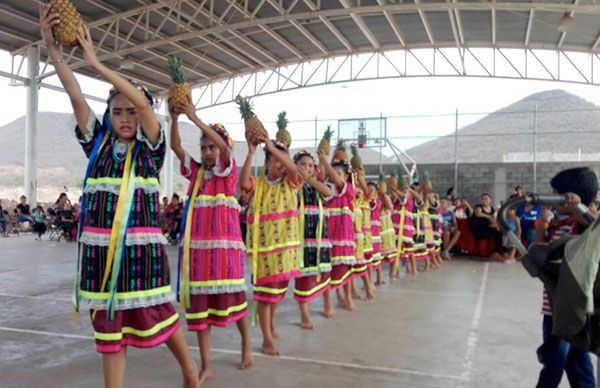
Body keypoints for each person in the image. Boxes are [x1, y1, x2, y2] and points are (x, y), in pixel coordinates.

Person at [40, 7, 199, 387]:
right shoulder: (96, 144)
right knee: (109, 330)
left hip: (141, 256)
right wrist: (54, 50)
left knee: (158, 316)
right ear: (107, 115)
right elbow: (75, 94)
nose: (126, 118)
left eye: (131, 112)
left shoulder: (151, 150)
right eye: (117, 112)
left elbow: (145, 106)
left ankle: (190, 373)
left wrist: (94, 61)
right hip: (100, 257)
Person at [170, 101, 253, 383]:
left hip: (224, 251)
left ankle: (246, 346)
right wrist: (173, 118)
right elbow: (177, 148)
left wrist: (195, 118)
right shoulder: (195, 172)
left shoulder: (226, 170)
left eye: (211, 147)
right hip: (198, 254)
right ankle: (206, 364)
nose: (207, 152)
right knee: (201, 309)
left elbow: (226, 149)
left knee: (235, 300)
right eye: (204, 148)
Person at [534, 167, 597, 388]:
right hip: (554, 308)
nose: (554, 199)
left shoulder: (586, 223)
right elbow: (540, 255)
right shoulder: (561, 224)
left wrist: (579, 209)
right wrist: (542, 225)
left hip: (569, 311)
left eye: (557, 193)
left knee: (555, 362)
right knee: (577, 363)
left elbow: (588, 230)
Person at [240, 137, 302, 356]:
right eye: (275, 160)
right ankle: (266, 339)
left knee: (278, 292)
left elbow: (293, 169)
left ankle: (271, 325)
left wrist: (273, 146)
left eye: (283, 161)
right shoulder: (258, 184)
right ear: (266, 163)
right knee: (265, 296)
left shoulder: (291, 181)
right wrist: (250, 153)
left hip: (286, 252)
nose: (281, 165)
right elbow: (243, 183)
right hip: (264, 252)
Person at [292, 150, 334, 328]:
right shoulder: (293, 185)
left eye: (310, 165)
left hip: (319, 236)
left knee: (324, 271)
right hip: (302, 236)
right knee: (303, 275)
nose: (307, 168)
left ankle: (328, 305)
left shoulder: (318, 184)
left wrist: (310, 180)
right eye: (302, 164)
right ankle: (304, 316)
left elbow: (327, 192)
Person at [319, 155, 357, 312]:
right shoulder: (327, 190)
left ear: (346, 177)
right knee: (327, 270)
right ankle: (328, 303)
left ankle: (346, 296)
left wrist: (325, 162)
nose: (334, 178)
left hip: (343, 236)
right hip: (328, 236)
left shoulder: (347, 188)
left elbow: (338, 181)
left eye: (338, 174)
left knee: (345, 268)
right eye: (332, 175)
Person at [471, 193, 503, 261]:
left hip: (488, 227)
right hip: (478, 228)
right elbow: (478, 214)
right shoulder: (478, 207)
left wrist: (495, 225)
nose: (484, 200)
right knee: (489, 228)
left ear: (490, 200)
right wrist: (489, 217)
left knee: (499, 233)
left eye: (486, 198)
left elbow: (494, 218)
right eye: (483, 199)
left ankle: (496, 252)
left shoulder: (492, 209)